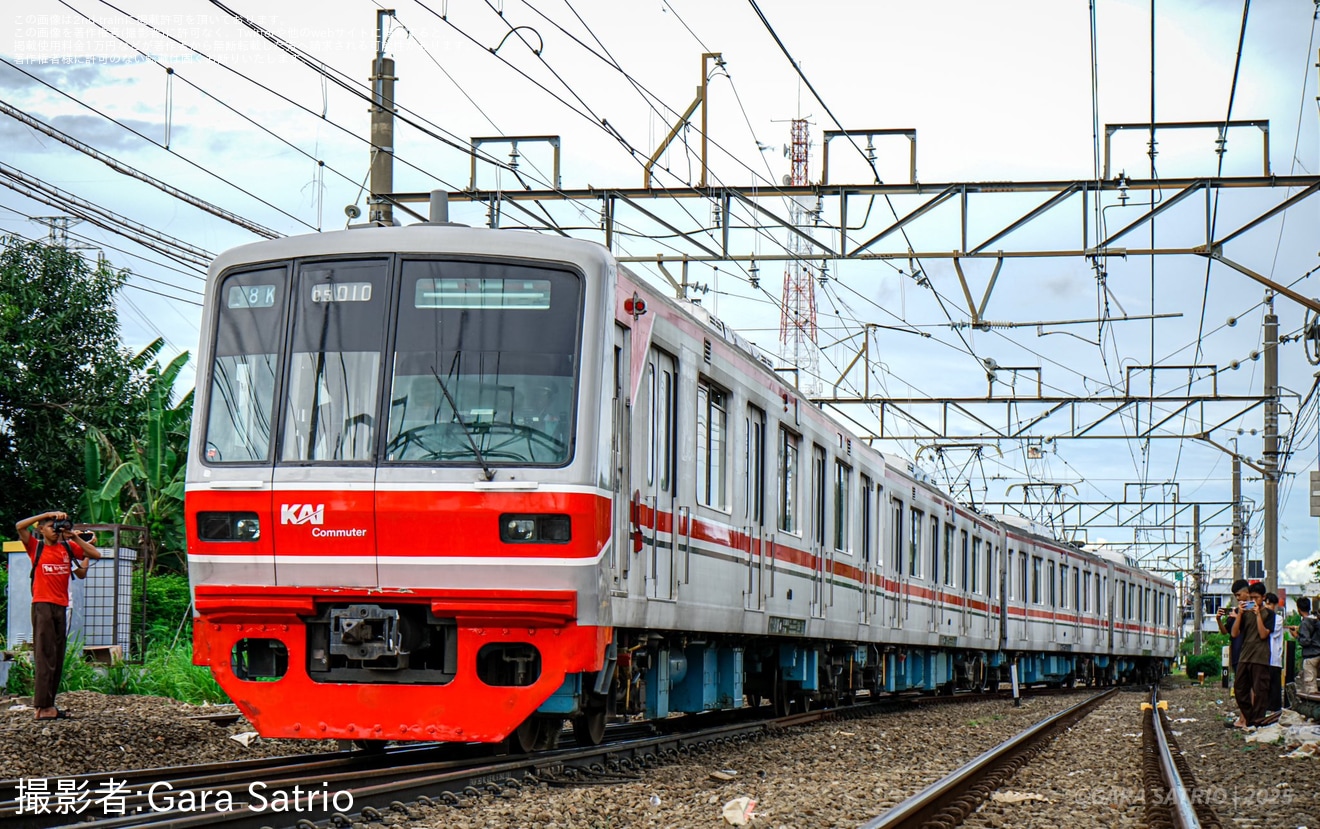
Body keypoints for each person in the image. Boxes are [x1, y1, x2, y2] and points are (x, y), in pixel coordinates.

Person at [15, 510, 102, 721]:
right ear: (40, 529)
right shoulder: (36, 547)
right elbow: (19, 526)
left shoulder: (67, 547)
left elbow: (95, 555)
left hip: (61, 606)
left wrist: (76, 538)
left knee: (57, 655)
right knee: (44, 655)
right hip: (43, 605)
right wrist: (46, 514)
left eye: (57, 526)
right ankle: (42, 706)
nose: (55, 530)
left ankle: (48, 705)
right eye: (50, 526)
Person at [1230, 581, 1275, 728]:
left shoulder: (1269, 614)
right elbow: (1234, 633)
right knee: (1239, 688)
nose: (1254, 601)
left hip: (1260, 657)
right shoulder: (1245, 613)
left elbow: (1263, 634)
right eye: (1251, 598)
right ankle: (1250, 718)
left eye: (1256, 598)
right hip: (1245, 655)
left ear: (1263, 597)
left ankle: (1257, 721)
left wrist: (1258, 615)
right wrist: (1240, 614)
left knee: (1260, 691)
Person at [1217, 578, 1251, 725]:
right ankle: (1243, 717)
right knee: (1240, 687)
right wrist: (1219, 619)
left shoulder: (1253, 611)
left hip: (1248, 653)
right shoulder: (1236, 611)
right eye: (1235, 596)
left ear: (1247, 592)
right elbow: (1226, 632)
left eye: (1239, 595)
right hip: (1237, 654)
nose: (1237, 598)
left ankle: (1247, 718)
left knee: (1247, 687)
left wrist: (1240, 616)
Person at [1291, 596, 1319, 696]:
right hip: (1318, 653)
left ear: (1299, 609)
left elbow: (1306, 641)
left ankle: (1313, 701)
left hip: (1311, 655)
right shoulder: (1316, 620)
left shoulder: (1305, 622)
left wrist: (1296, 636)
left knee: (1310, 685)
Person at [1264, 592, 1284, 714]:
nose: (1267, 606)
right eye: (1266, 604)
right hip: (1263, 656)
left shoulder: (1278, 619)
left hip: (1274, 656)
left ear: (1275, 605)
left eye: (1270, 604)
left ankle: (1275, 711)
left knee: (1274, 686)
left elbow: (1272, 632)